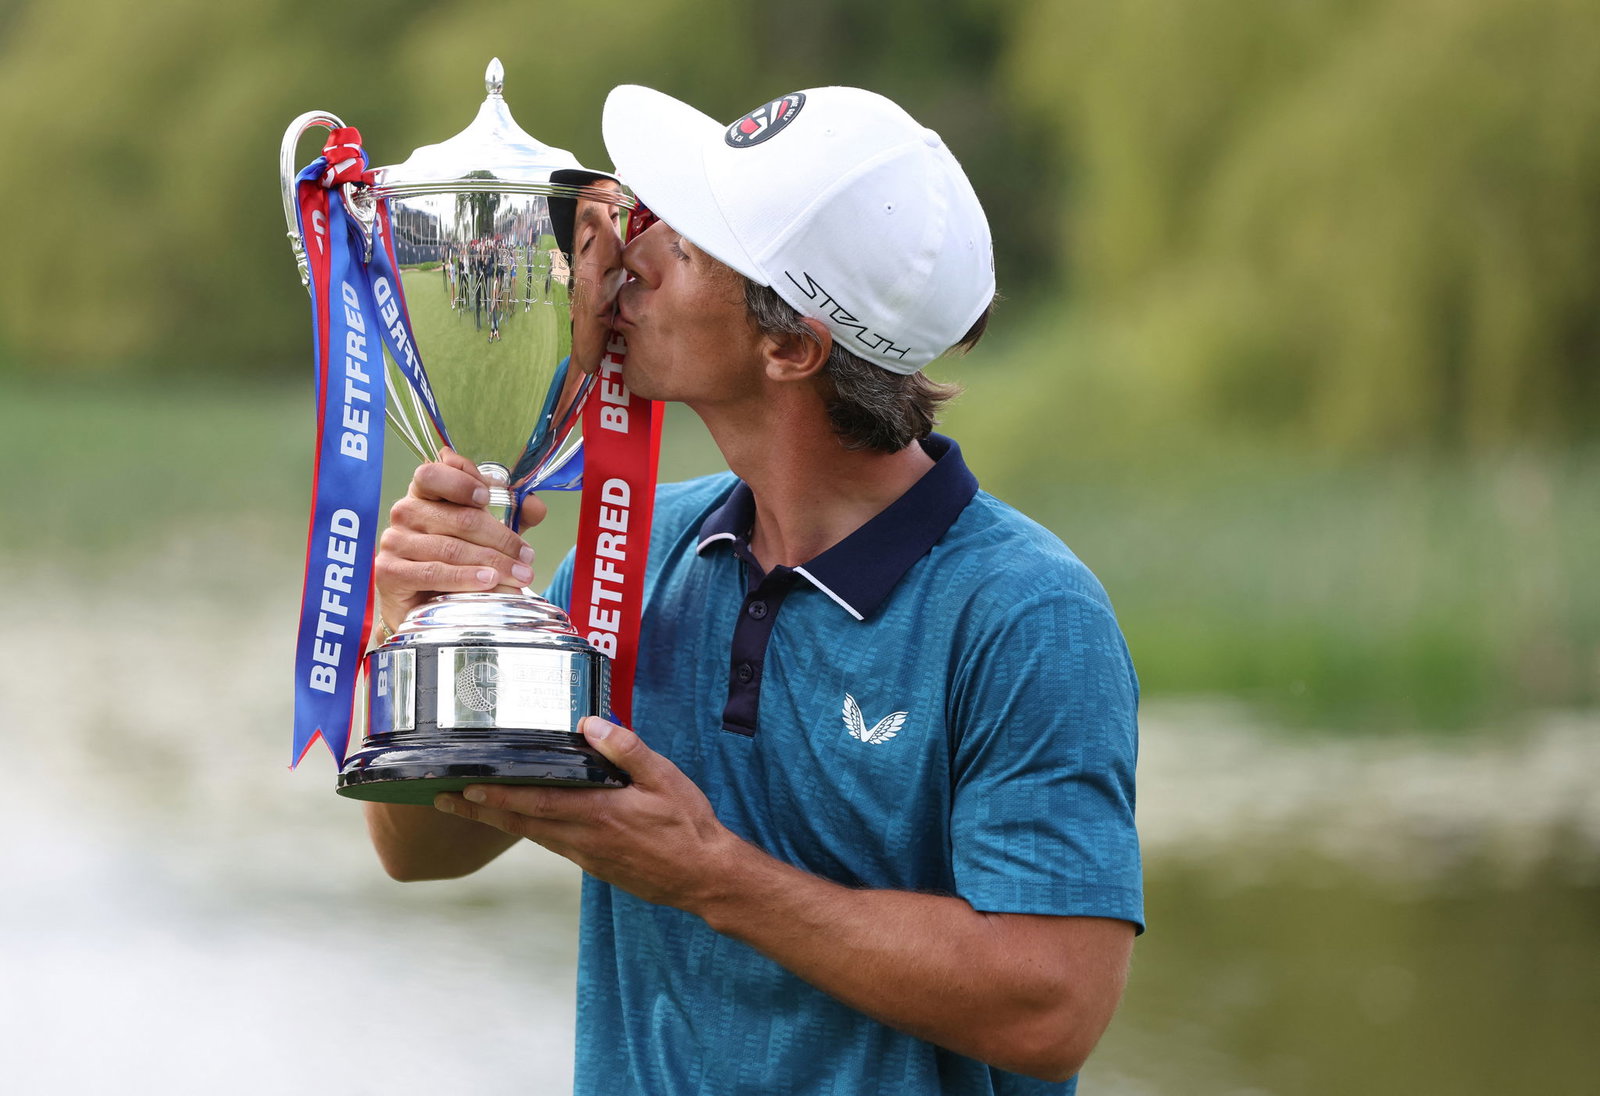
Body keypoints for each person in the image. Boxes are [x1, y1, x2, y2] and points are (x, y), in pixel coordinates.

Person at [366, 84, 1142, 1095]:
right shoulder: (635, 548)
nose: (629, 257)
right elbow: (423, 849)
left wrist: (709, 873)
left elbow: (1052, 1007)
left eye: (683, 245)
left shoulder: (1026, 613)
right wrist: (419, 642)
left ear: (790, 345)